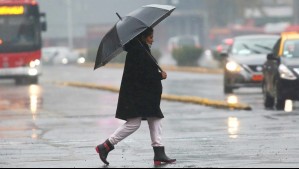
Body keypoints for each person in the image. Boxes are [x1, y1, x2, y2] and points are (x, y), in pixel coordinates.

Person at [95, 27, 176, 166]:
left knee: (155, 118)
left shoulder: (141, 49)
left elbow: (145, 71)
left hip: (144, 96)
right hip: (136, 96)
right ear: (143, 37)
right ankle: (105, 146)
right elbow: (143, 75)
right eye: (150, 37)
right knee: (134, 123)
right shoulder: (138, 51)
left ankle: (159, 153)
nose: (153, 39)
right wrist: (159, 75)